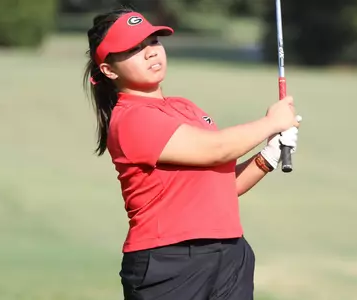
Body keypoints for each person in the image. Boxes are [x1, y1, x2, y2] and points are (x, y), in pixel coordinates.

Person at [82, 7, 302, 300]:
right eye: (133, 49)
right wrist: (271, 123)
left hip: (229, 254)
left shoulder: (185, 108)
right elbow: (217, 149)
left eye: (153, 42)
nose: (150, 53)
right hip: (169, 263)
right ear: (109, 70)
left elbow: (223, 186)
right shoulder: (131, 118)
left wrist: (269, 156)